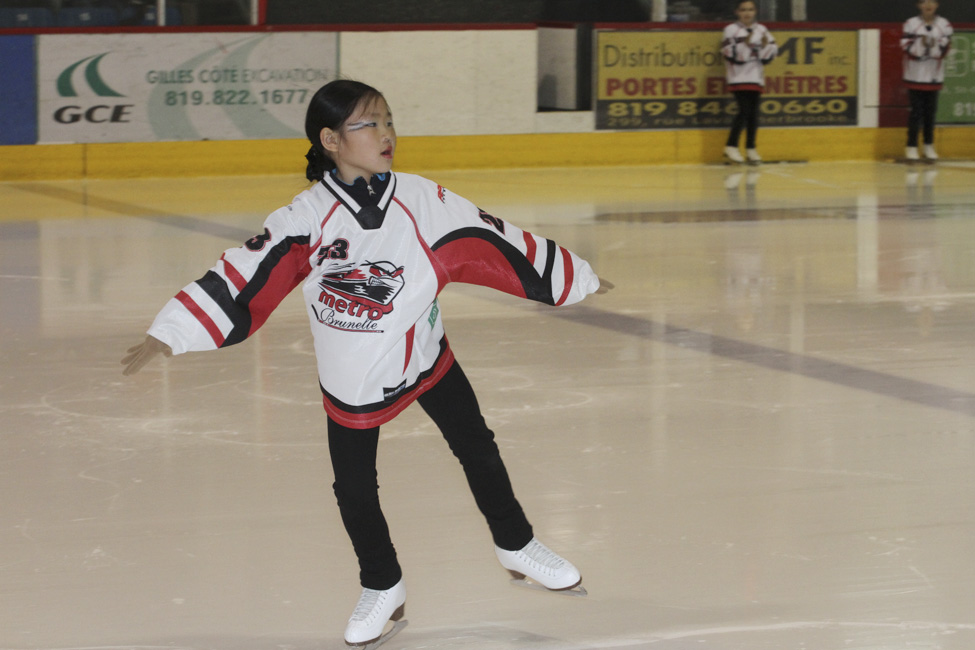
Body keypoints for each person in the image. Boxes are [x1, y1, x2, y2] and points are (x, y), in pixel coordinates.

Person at [121, 79, 611, 647]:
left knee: (477, 444)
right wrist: (173, 330)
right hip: (353, 373)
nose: (386, 134)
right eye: (368, 124)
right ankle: (383, 585)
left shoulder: (422, 198)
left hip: (424, 349)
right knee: (354, 487)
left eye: (389, 121)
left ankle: (517, 544)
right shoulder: (307, 217)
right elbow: (246, 272)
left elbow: (493, 238)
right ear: (330, 139)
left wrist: (572, 277)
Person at [721, 0, 777, 164]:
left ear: (755, 11)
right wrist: (745, 45)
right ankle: (731, 145)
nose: (747, 13)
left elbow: (771, 53)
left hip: (756, 77)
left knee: (753, 115)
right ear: (737, 12)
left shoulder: (762, 29)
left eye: (750, 10)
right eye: (743, 10)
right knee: (744, 111)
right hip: (738, 77)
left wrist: (765, 47)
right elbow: (730, 54)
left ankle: (751, 148)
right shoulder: (731, 30)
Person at [901, 0, 952, 161]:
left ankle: (929, 145)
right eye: (924, 2)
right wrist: (921, 46)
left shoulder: (944, 24)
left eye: (932, 2)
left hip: (934, 76)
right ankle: (911, 146)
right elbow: (905, 46)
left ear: (937, 5)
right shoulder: (911, 23)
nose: (928, 5)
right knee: (915, 113)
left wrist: (932, 47)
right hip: (914, 76)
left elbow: (946, 48)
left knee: (930, 113)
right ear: (919, 5)